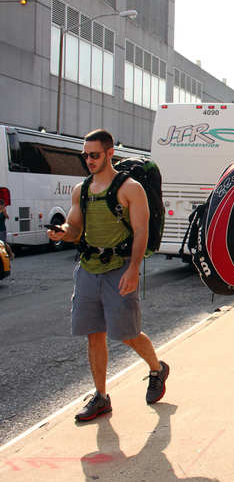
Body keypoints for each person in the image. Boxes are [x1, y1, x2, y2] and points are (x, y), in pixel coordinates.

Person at [47, 129, 169, 422]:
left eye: (95, 155)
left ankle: (157, 368)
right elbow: (75, 229)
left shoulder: (131, 188)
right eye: (85, 155)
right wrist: (62, 232)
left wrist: (133, 270)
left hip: (119, 268)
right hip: (88, 269)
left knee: (127, 334)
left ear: (110, 153)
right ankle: (101, 397)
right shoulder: (82, 190)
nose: (89, 160)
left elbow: (142, 231)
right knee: (94, 335)